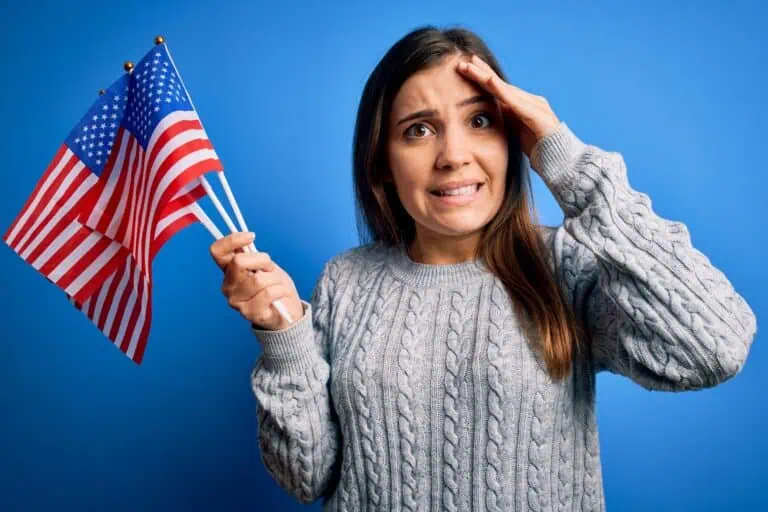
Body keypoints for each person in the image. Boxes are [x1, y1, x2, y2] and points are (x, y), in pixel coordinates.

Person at [209, 26, 757, 512]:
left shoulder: (567, 268)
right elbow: (306, 478)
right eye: (418, 130)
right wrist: (284, 335)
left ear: (514, 140)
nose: (453, 154)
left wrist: (567, 161)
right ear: (382, 161)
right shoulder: (345, 282)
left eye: (480, 120)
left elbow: (715, 347)